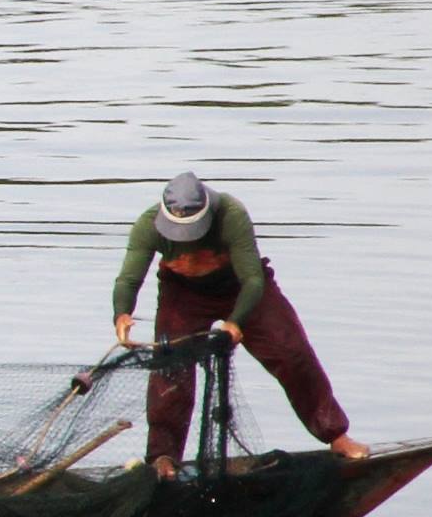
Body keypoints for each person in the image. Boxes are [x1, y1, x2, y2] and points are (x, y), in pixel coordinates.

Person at [111, 171, 368, 475]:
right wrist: (122, 314)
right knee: (171, 369)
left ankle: (335, 434)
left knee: (290, 351)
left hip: (242, 289)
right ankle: (163, 456)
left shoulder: (232, 215)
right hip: (183, 293)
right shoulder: (147, 225)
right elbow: (128, 279)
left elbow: (253, 280)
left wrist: (236, 321)